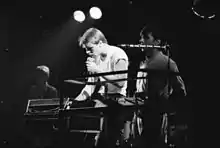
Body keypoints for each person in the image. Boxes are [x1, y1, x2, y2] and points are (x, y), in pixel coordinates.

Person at [74, 27, 131, 148]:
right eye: (86, 50)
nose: (88, 53)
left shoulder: (118, 54)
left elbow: (121, 82)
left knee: (108, 140)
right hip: (103, 101)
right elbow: (90, 86)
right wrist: (74, 102)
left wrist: (97, 70)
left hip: (117, 101)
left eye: (90, 49)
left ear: (100, 43)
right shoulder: (95, 57)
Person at [135, 24, 187, 148]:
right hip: (140, 114)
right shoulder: (143, 63)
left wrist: (165, 106)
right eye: (141, 38)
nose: (141, 41)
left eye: (146, 38)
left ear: (157, 42)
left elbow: (181, 90)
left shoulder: (167, 62)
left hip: (155, 115)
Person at [27, 65, 58, 148]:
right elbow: (29, 106)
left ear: (46, 77)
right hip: (35, 123)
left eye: (39, 76)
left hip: (46, 123)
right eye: (36, 76)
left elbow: (53, 108)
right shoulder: (32, 89)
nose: (37, 78)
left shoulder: (52, 90)